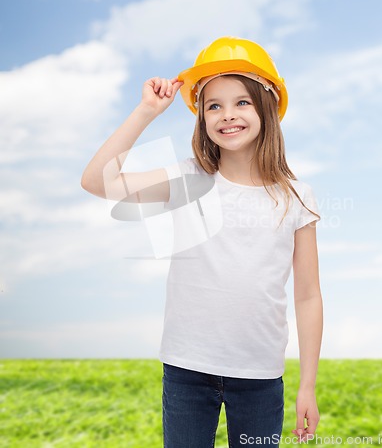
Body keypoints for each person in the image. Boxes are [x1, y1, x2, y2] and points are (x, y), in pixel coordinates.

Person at [81, 36, 323, 447]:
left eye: (241, 102)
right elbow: (97, 182)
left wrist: (308, 386)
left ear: (267, 106)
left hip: (261, 376)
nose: (228, 115)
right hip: (186, 370)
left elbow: (308, 296)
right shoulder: (190, 178)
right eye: (214, 105)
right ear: (201, 116)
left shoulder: (297, 196)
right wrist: (146, 112)